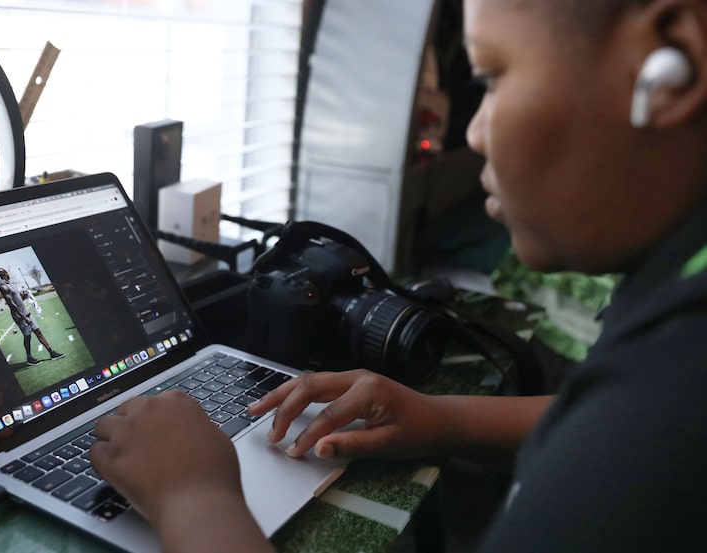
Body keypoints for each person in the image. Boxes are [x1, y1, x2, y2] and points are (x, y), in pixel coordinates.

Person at [89, 0, 707, 550]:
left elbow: (634, 436)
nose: (473, 131)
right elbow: (591, 426)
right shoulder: (669, 327)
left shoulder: (672, 402)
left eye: (492, 76)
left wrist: (192, 498)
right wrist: (439, 418)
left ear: (670, 60)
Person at [0, 268, 64, 366]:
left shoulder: (11, 284)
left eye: (6, 271)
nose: (6, 273)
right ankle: (29, 358)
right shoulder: (3, 287)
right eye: (4, 272)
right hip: (20, 316)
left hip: (26, 313)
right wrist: (25, 318)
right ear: (2, 275)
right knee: (27, 336)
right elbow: (12, 304)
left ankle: (51, 352)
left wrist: (24, 296)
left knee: (38, 332)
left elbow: (18, 300)